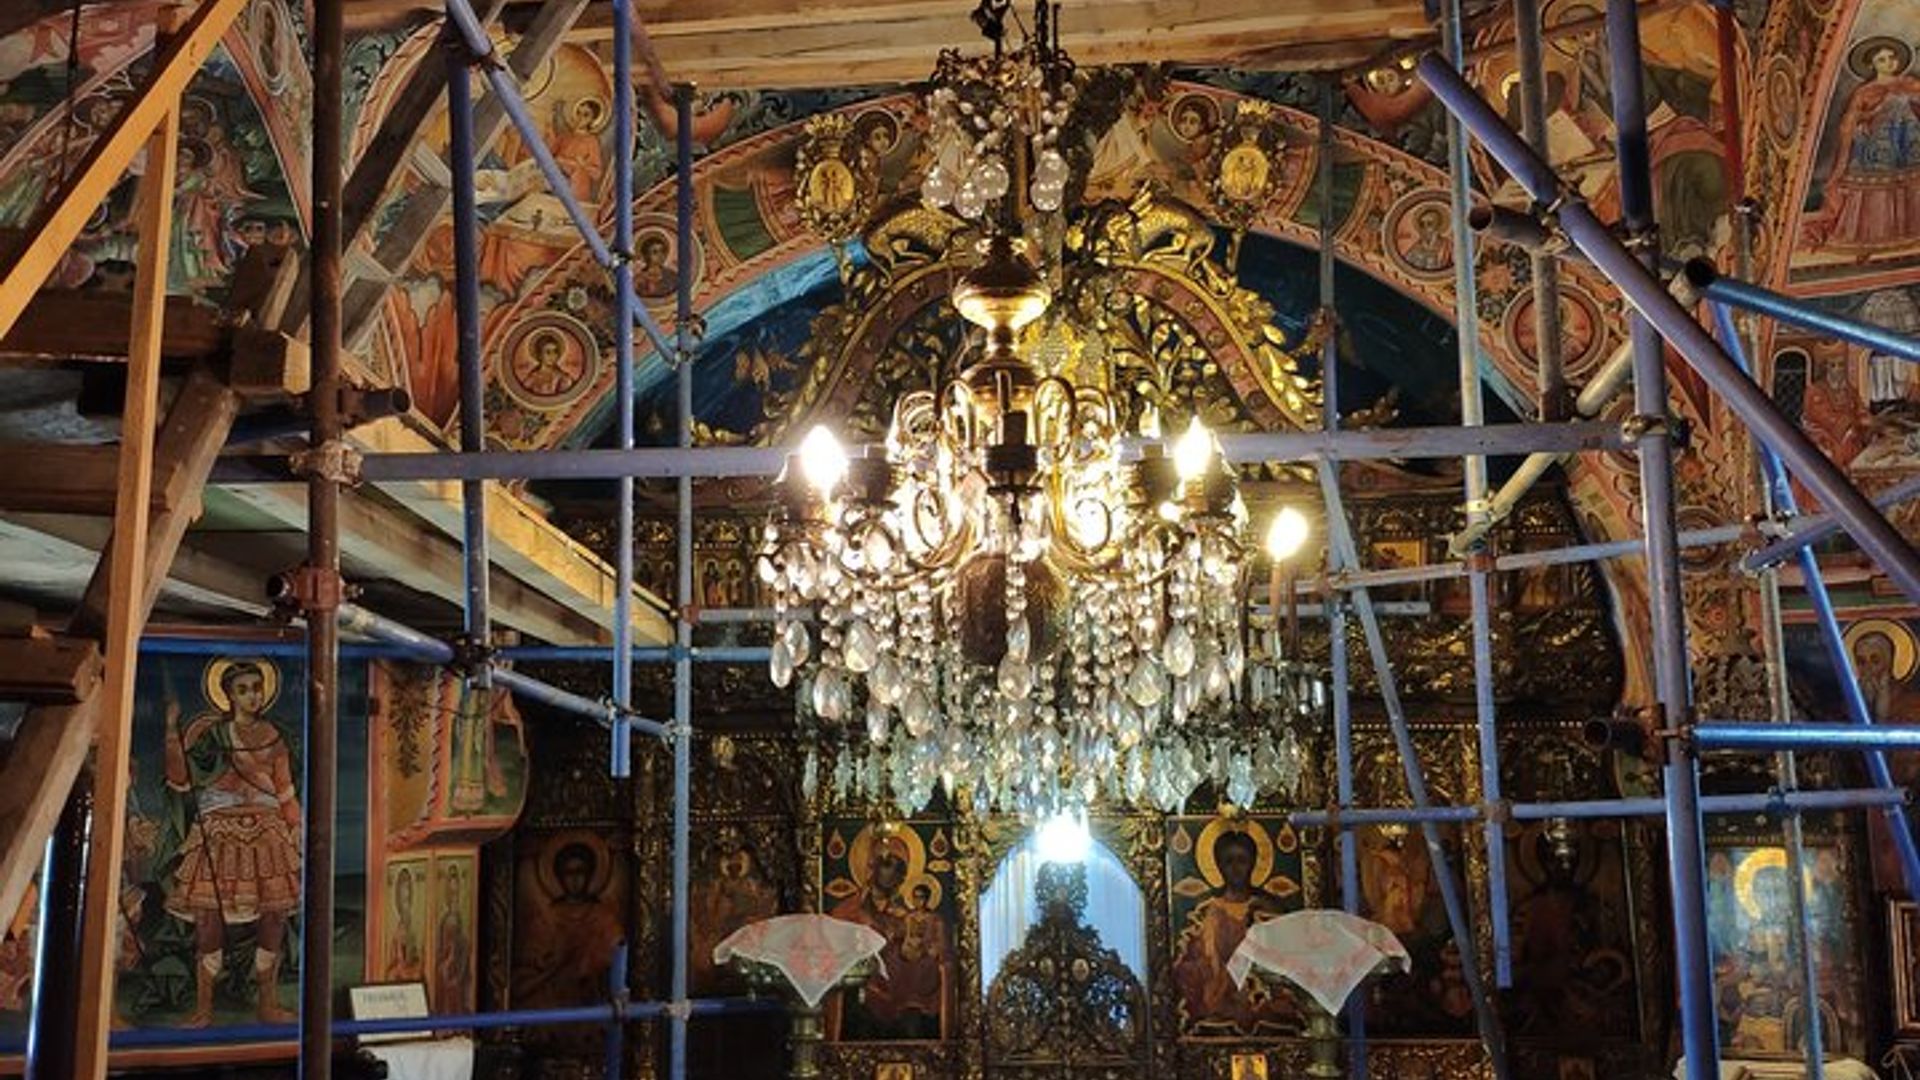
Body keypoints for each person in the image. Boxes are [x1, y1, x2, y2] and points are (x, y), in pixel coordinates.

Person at [163, 660, 302, 1025]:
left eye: (257, 687)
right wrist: (171, 731)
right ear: (228, 695)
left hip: (268, 832)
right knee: (208, 916)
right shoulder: (214, 736)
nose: (253, 695)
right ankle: (203, 1010)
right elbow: (181, 779)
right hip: (219, 831)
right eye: (243, 689)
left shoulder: (275, 736)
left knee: (274, 914)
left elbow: (285, 790)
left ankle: (267, 1004)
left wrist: (296, 828)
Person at [1803, 38, 1920, 251]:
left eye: (1891, 58)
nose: (1888, 63)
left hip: (1909, 142)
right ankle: (1875, 234)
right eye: (1882, 60)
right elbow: (1850, 120)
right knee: (1878, 186)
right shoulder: (1866, 92)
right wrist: (1869, 115)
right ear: (1872, 65)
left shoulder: (1910, 84)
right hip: (1877, 146)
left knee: (1911, 182)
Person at [1171, 828, 1289, 1032]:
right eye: (1229, 861)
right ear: (1219, 866)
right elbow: (1192, 960)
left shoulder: (1268, 908)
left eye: (1242, 860)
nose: (1236, 868)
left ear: (1252, 863)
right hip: (1218, 998)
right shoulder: (1208, 911)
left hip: (1262, 993)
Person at [516, 842, 625, 1008]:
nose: (575, 879)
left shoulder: (603, 916)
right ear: (560, 877)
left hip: (591, 996)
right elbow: (531, 962)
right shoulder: (547, 917)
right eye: (568, 873)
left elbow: (616, 952)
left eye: (580, 872)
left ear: (589, 875)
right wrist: (555, 963)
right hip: (552, 996)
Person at [435, 863, 472, 1012]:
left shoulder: (462, 921)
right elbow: (440, 951)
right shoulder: (444, 921)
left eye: (456, 893)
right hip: (445, 972)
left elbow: (464, 952)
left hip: (459, 972)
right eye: (451, 893)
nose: (453, 896)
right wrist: (446, 961)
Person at [387, 866, 424, 981]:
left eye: (408, 888)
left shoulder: (415, 928)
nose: (406, 893)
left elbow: (418, 957)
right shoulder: (397, 932)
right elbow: (393, 962)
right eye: (403, 900)